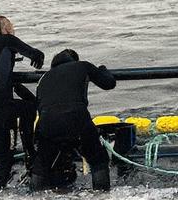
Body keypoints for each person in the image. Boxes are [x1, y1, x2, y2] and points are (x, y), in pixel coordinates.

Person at [31, 49, 117, 191]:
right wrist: (102, 69)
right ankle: (101, 194)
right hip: (76, 118)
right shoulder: (82, 66)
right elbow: (109, 83)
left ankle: (34, 193)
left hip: (47, 121)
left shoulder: (44, 78)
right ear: (74, 60)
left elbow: (40, 106)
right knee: (98, 159)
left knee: (42, 163)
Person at [0, 15, 44, 189]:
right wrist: (39, 59)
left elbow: (5, 80)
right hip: (0, 105)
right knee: (28, 108)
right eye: (11, 26)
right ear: (4, 29)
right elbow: (34, 53)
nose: (14, 30)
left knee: (1, 152)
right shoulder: (6, 40)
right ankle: (30, 153)